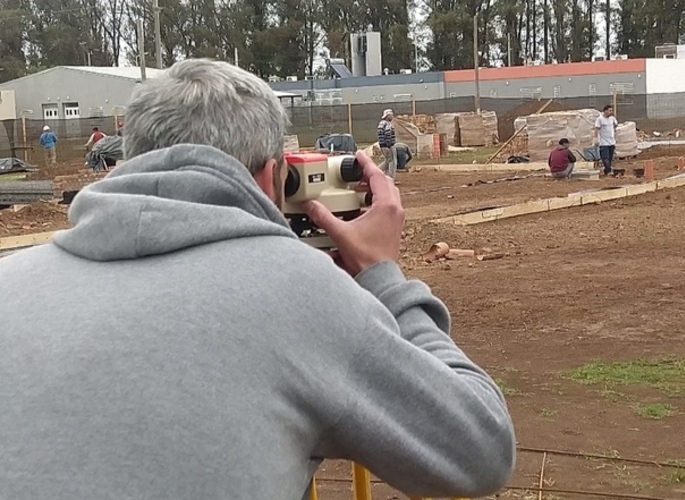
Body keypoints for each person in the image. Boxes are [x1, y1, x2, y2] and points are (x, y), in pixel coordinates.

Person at [0, 59, 515, 500]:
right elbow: (480, 450)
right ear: (273, 175)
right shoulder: (302, 296)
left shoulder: (9, 282)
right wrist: (384, 276)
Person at [593, 104, 618, 176]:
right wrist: (596, 138)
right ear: (605, 111)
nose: (611, 112)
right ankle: (609, 171)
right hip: (604, 143)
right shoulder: (600, 119)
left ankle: (607, 171)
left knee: (610, 158)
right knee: (605, 158)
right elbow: (596, 129)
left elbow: (616, 124)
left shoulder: (612, 119)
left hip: (611, 142)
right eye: (609, 110)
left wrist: (614, 131)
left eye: (611, 110)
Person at [377, 108, 397, 178]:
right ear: (387, 116)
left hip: (383, 145)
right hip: (389, 145)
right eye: (391, 115)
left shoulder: (381, 123)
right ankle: (391, 177)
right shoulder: (387, 124)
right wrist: (388, 145)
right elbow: (388, 134)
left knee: (387, 161)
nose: (392, 116)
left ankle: (376, 171)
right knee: (392, 162)